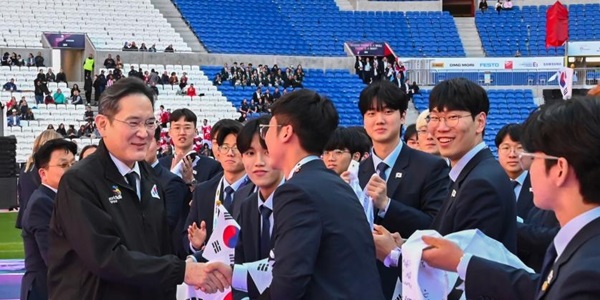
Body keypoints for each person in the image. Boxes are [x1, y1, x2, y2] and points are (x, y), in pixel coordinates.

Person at [47, 77, 230, 299]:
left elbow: (161, 248)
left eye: (150, 123)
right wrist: (182, 271)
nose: (144, 133)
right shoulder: (79, 182)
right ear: (102, 124)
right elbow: (106, 258)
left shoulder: (150, 178)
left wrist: (190, 261)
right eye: (133, 123)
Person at [207, 89, 385, 299]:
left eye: (268, 129)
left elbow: (289, 282)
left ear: (285, 132)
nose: (266, 139)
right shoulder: (335, 184)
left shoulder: (296, 192)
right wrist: (233, 274)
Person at [421, 96, 600, 299]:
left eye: (532, 158)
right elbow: (539, 287)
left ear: (560, 169)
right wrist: (462, 262)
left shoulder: (587, 275)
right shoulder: (581, 241)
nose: (526, 165)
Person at [358, 80, 450, 298]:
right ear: (363, 120)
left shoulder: (430, 167)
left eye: (388, 111)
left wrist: (387, 205)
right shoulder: (357, 173)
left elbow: (436, 226)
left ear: (402, 116)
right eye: (371, 113)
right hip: (361, 284)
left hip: (411, 283)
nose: (379, 120)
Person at [495, 123, 559, 272]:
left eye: (519, 148)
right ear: (497, 151)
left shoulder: (545, 187)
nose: (512, 154)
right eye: (506, 148)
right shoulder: (489, 185)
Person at [20, 139, 76, 300]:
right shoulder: (42, 203)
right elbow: (54, 257)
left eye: (73, 163)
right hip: (46, 290)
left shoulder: (63, 198)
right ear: (43, 173)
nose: (71, 170)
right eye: (64, 165)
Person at [183, 120, 248, 255]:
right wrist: (195, 244)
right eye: (225, 147)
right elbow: (186, 236)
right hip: (209, 269)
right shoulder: (203, 191)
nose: (230, 153)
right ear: (218, 152)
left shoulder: (258, 190)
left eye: (236, 147)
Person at [146, 127, 190, 258]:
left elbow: (167, 226)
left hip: (160, 258)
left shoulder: (171, 182)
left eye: (148, 141)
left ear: (158, 144)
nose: (142, 146)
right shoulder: (129, 178)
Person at [158, 108, 222, 185]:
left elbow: (212, 195)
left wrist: (191, 180)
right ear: (170, 132)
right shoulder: (159, 165)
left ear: (195, 132)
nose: (182, 132)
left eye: (187, 127)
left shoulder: (212, 167)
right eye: (177, 128)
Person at [15, 130, 64, 229]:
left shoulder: (26, 168)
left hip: (29, 218)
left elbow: (21, 196)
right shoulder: (44, 169)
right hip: (43, 219)